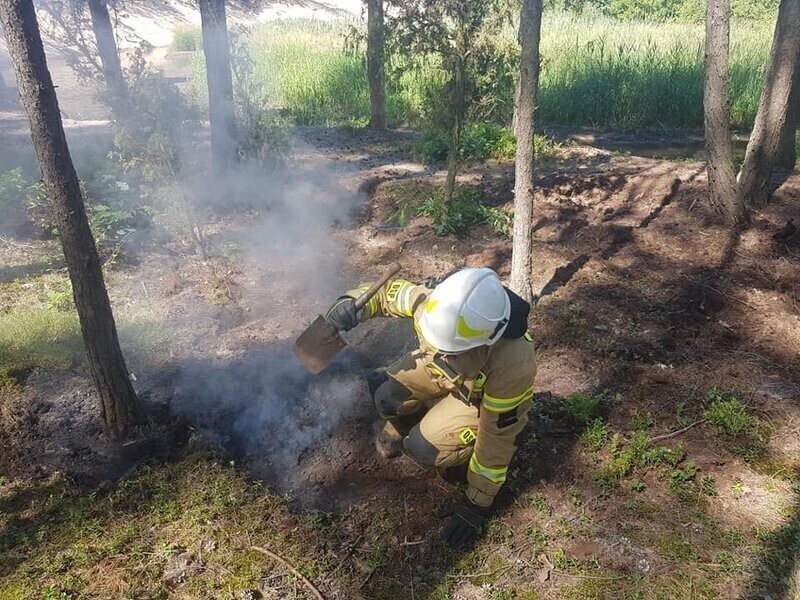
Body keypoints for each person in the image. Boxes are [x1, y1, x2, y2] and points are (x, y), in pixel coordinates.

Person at [325, 267, 537, 547]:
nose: (442, 350)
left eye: (451, 349)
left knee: (423, 448)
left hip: (479, 401)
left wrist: (478, 503)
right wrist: (350, 303)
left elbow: (497, 440)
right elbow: (391, 294)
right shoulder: (442, 306)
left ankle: (457, 460)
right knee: (384, 391)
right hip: (444, 372)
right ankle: (409, 423)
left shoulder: (513, 364)